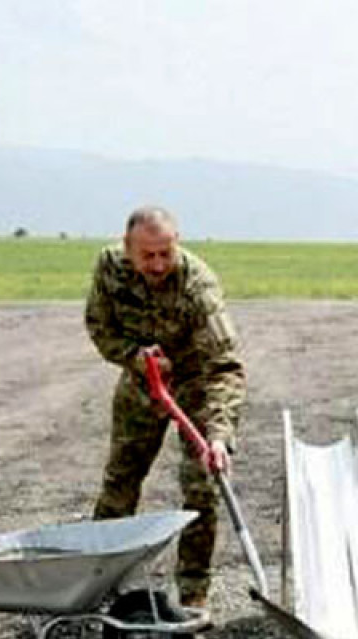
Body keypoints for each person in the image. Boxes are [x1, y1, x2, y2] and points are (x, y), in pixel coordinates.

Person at [85, 206, 246, 617]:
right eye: (147, 255)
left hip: (194, 389)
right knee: (120, 482)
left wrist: (219, 435)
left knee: (201, 488)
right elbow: (100, 328)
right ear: (127, 249)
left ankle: (193, 594)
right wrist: (137, 358)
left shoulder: (199, 286)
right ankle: (94, 582)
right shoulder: (109, 268)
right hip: (142, 386)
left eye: (165, 253)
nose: (157, 264)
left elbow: (225, 367)